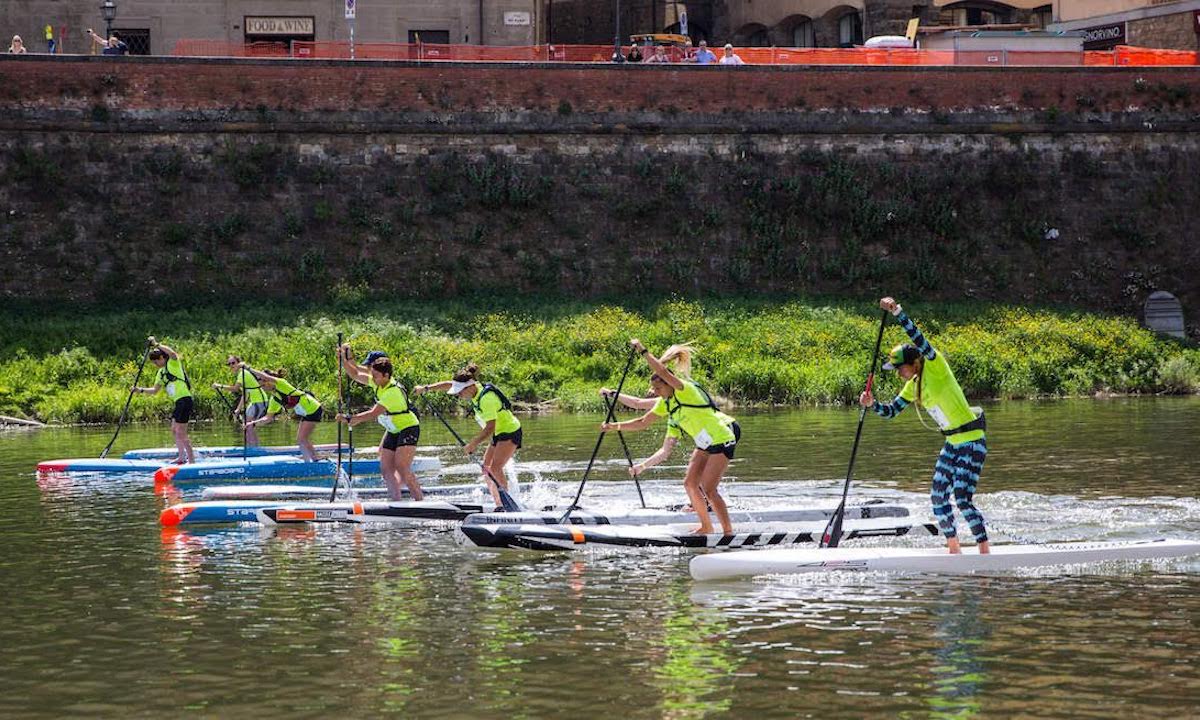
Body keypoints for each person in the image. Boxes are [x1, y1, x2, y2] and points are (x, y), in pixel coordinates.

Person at [860, 296, 990, 555]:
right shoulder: (912, 385)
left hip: (972, 440)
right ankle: (953, 548)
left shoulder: (935, 365)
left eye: (900, 368)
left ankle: (984, 549)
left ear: (914, 363)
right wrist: (872, 404)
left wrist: (897, 311)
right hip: (952, 444)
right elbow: (891, 412)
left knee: (962, 498)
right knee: (938, 496)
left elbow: (919, 338)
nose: (898, 373)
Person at [600, 340, 740, 535]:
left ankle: (727, 533)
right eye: (654, 390)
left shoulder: (686, 390)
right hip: (705, 442)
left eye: (658, 389)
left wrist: (643, 351)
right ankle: (706, 526)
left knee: (708, 489)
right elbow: (642, 421)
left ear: (668, 383)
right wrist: (613, 427)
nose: (654, 393)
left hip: (721, 437)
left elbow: (663, 372)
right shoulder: (666, 404)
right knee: (690, 484)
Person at [414, 363, 520, 510]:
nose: (458, 395)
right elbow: (447, 384)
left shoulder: (487, 399)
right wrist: (426, 389)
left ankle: (508, 505)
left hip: (509, 431)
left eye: (460, 392)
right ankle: (499, 504)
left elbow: (490, 427)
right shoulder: (472, 388)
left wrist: (473, 444)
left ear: (469, 387)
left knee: (495, 468)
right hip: (499, 433)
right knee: (486, 468)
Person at [338, 348, 423, 501]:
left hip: (408, 428)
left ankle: (420, 500)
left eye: (375, 376)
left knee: (402, 467)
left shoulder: (393, 392)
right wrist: (343, 360)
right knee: (386, 469)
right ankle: (395, 501)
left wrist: (349, 418)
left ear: (386, 375)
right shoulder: (378, 382)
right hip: (393, 429)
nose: (373, 379)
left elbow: (373, 413)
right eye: (372, 375)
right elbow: (355, 374)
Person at [240, 365, 324, 462]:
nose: (263, 388)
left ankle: (315, 460)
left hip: (313, 408)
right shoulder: (274, 399)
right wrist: (252, 424)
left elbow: (266, 377)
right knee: (300, 439)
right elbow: (268, 418)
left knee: (301, 439)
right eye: (261, 386)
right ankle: (308, 460)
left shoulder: (281, 384)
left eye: (263, 385)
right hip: (307, 413)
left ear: (269, 381)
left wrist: (248, 368)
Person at [136, 336, 194, 465]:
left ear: (162, 358)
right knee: (174, 429)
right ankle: (181, 457)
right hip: (178, 402)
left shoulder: (173, 363)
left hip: (185, 399)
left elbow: (172, 353)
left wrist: (156, 344)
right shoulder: (160, 373)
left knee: (180, 431)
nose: (155, 365)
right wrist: (139, 390)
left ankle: (192, 461)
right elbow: (155, 390)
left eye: (156, 362)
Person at [211, 356, 268, 446]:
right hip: (255, 401)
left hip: (259, 401)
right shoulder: (242, 374)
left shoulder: (242, 373)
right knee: (247, 425)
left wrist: (219, 386)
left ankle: (254, 449)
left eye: (233, 363)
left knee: (248, 426)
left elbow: (235, 388)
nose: (231, 366)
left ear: (239, 363)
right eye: (229, 364)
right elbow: (245, 394)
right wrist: (238, 409)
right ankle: (253, 447)